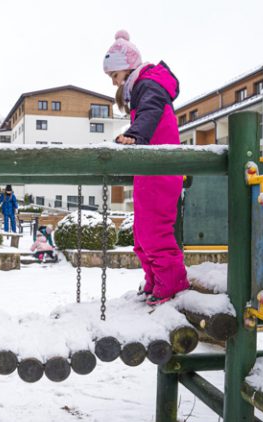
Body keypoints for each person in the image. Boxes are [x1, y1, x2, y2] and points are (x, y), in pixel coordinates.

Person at [103, 30, 189, 306]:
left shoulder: (149, 84)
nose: (114, 82)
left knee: (154, 230)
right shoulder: (140, 88)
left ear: (128, 68)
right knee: (142, 233)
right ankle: (155, 278)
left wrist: (135, 135)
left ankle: (171, 282)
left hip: (161, 168)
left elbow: (151, 111)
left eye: (115, 75)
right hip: (148, 169)